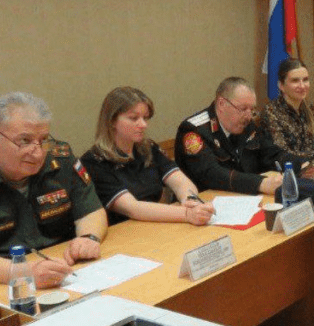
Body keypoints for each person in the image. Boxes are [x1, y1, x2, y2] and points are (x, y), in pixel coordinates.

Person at [0, 92, 107, 289]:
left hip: (63, 270)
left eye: (43, 139)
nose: (37, 152)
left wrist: (88, 238)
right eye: (24, 141)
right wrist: (23, 273)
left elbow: (91, 211)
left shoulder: (60, 157)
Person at [81, 87, 215, 226]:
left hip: (154, 224)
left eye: (145, 118)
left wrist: (190, 201)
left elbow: (180, 181)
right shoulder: (93, 161)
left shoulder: (148, 148)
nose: (143, 125)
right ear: (112, 121)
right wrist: (187, 214)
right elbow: (132, 208)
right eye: (134, 118)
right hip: (122, 231)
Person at [174, 76, 314, 195]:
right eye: (242, 109)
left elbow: (270, 153)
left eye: (252, 109)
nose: (249, 116)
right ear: (222, 104)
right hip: (205, 205)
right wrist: (260, 184)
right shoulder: (194, 130)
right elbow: (212, 174)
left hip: (243, 198)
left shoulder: (246, 125)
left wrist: (300, 164)